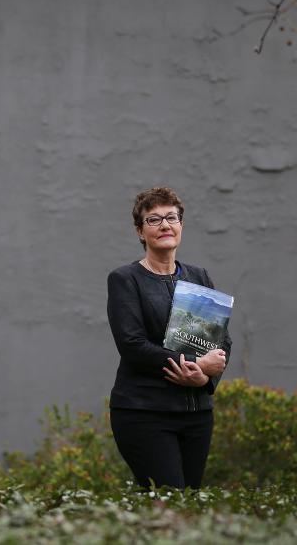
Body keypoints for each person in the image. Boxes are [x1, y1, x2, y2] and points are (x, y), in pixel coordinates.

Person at [106, 186, 230, 490]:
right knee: (169, 501)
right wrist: (195, 363)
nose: (165, 225)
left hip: (196, 415)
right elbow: (132, 345)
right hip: (144, 413)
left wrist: (205, 379)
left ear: (181, 225)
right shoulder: (125, 280)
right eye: (154, 220)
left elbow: (221, 341)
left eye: (171, 218)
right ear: (140, 231)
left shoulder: (199, 276)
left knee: (189, 507)